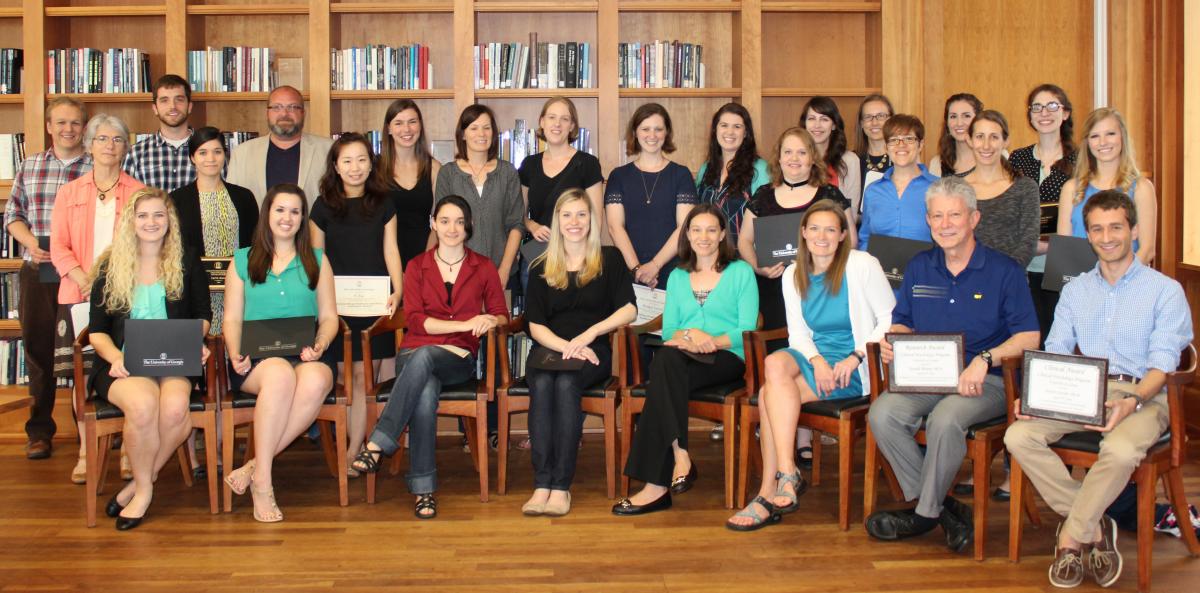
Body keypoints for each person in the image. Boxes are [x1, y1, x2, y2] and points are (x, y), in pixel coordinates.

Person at [1005, 190, 1192, 588]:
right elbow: (1056, 349)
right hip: (1082, 390)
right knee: (1018, 435)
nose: (1107, 237)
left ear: (1134, 230)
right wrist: (1037, 394)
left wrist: (1133, 400)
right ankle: (1093, 523)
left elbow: (1164, 363)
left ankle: (1072, 537)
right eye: (1097, 229)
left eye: (1116, 227)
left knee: (1120, 449)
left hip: (1145, 394)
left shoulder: (1165, 290)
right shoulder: (1075, 290)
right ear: (1087, 236)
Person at [864, 176, 1039, 553]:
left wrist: (984, 360)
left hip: (987, 381)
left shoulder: (1005, 271)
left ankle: (924, 515)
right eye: (937, 216)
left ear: (974, 219)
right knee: (882, 414)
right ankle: (942, 510)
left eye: (954, 215)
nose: (945, 224)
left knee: (946, 419)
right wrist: (895, 339)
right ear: (927, 221)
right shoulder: (919, 266)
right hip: (929, 375)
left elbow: (1029, 338)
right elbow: (903, 320)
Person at [726, 200, 894, 530]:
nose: (822, 236)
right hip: (816, 358)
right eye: (814, 228)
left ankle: (765, 494)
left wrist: (856, 356)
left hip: (854, 366)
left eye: (831, 229)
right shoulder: (793, 273)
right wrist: (816, 361)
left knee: (766, 396)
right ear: (802, 233)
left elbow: (890, 318)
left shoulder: (862, 265)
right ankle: (788, 471)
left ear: (843, 235)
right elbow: (798, 333)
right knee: (775, 363)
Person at [349, 196, 508, 519]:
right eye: (445, 221)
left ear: (468, 227)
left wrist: (490, 320)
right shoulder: (416, 266)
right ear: (433, 223)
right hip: (414, 354)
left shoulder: (484, 267)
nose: (452, 228)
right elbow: (417, 321)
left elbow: (502, 314)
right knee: (423, 384)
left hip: (459, 359)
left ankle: (379, 443)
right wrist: (466, 323)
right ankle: (423, 491)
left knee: (424, 367)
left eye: (459, 222)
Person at [613, 204, 758, 516]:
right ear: (687, 236)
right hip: (685, 358)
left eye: (710, 230)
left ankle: (658, 484)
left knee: (663, 373)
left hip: (728, 359)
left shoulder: (741, 272)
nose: (703, 236)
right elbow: (670, 330)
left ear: (722, 235)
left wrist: (710, 341)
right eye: (696, 230)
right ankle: (679, 456)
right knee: (667, 362)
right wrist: (692, 336)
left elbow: (747, 328)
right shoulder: (678, 276)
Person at [88, 188, 212, 530]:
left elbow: (203, 316)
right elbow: (96, 330)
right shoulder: (110, 266)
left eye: (159, 215)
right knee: (143, 407)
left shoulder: (187, 261)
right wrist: (114, 357)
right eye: (142, 215)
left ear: (169, 221)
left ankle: (137, 483)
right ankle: (144, 492)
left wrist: (194, 340)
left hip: (172, 358)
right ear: (131, 221)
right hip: (124, 364)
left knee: (175, 410)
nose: (151, 222)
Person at [221, 184, 339, 523]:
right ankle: (264, 485)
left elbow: (330, 317)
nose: (287, 218)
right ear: (267, 215)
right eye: (280, 210)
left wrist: (320, 344)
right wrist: (233, 352)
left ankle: (255, 467)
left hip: (307, 353)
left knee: (316, 380)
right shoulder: (242, 259)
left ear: (302, 218)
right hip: (255, 359)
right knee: (279, 374)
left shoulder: (317, 260)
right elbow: (231, 318)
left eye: (294, 211)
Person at [521, 189, 637, 517]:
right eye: (567, 215)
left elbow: (629, 309)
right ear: (557, 221)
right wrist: (567, 347)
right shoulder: (541, 265)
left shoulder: (610, 259)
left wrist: (589, 335)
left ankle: (560, 486)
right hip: (549, 350)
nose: (575, 222)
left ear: (591, 220)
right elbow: (535, 326)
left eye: (581, 214)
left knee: (565, 385)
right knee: (543, 383)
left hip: (593, 352)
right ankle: (541, 483)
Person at [50, 113, 146, 483]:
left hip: (125, 295)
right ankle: (86, 452)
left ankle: (126, 450)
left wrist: (111, 284)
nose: (109, 146)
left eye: (117, 140)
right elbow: (58, 245)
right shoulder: (69, 192)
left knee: (125, 368)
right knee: (84, 374)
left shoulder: (138, 191)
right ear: (89, 145)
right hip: (77, 293)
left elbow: (145, 244)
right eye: (102, 139)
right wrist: (86, 279)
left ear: (126, 147)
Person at [310, 133, 403, 476]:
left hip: (376, 302)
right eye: (347, 160)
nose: (355, 167)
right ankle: (345, 442)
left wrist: (398, 290)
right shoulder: (322, 206)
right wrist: (327, 301)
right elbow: (317, 259)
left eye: (362, 159)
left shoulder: (384, 202)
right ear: (335, 165)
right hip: (335, 305)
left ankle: (356, 449)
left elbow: (391, 249)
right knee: (340, 377)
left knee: (366, 377)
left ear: (371, 163)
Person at [5, 97, 92, 461]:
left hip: (81, 275)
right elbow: (13, 215)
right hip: (39, 272)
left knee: (86, 351)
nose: (68, 129)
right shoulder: (30, 165)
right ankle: (39, 432)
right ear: (48, 126)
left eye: (75, 123)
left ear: (84, 127)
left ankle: (93, 432)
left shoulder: (96, 166)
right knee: (39, 351)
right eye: (61, 123)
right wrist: (30, 244)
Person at [739, 127, 853, 332]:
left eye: (802, 152)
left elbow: (850, 240)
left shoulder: (830, 194)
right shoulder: (763, 194)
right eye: (788, 152)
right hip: (773, 289)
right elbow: (744, 240)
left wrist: (821, 268)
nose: (794, 158)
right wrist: (757, 266)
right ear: (779, 158)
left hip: (820, 287)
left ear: (812, 158)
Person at [170, 126, 259, 335]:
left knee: (237, 349)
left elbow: (255, 244)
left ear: (225, 155)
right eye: (203, 152)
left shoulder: (244, 197)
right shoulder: (177, 200)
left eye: (217, 151)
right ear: (192, 157)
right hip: (197, 293)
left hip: (238, 291)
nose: (211, 158)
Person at [605, 103, 698, 289]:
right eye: (645, 129)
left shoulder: (681, 175)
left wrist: (655, 265)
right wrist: (638, 269)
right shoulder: (618, 176)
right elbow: (615, 227)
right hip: (630, 270)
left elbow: (684, 226)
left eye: (658, 129)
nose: (652, 135)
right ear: (635, 132)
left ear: (667, 133)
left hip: (674, 269)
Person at [1010, 84, 1077, 339]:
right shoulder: (1018, 158)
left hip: (1064, 266)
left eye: (1052, 106)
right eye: (1037, 107)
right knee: (1030, 337)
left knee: (1059, 338)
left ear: (1066, 113)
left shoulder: (1080, 159)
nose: (1044, 113)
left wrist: (1051, 246)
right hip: (1025, 266)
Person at [435, 104, 524, 284]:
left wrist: (504, 270)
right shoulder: (448, 173)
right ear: (462, 134)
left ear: (493, 132)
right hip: (457, 274)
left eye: (486, 128)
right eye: (473, 128)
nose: (481, 134)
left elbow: (516, 224)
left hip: (501, 271)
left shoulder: (507, 173)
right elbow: (442, 224)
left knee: (500, 314)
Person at [1057, 108, 1157, 265]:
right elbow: (1064, 250)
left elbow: (1147, 250)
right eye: (1095, 136)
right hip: (1081, 283)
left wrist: (1116, 281)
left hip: (1126, 284)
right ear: (1087, 143)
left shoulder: (1141, 188)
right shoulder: (1071, 189)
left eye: (1110, 134)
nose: (1103, 142)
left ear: (1122, 137)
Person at [226, 85, 334, 206]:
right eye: (277, 107)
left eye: (292, 107)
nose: (284, 113)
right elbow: (231, 204)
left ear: (303, 113)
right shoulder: (242, 154)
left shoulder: (328, 150)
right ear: (267, 113)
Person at [519, 96, 604, 246]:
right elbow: (519, 215)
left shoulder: (588, 163)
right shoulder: (528, 165)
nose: (557, 124)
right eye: (551, 117)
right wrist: (533, 227)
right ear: (542, 122)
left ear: (571, 126)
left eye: (564, 119)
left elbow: (596, 220)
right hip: (538, 252)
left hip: (575, 252)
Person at [963, 110, 1040, 267]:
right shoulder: (954, 187)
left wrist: (1000, 277)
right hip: (963, 282)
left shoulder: (1025, 187)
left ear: (1006, 141)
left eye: (994, 137)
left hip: (1010, 284)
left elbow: (1028, 243)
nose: (986, 145)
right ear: (969, 140)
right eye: (979, 137)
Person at [858, 114, 938, 250]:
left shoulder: (938, 188)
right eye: (894, 140)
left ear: (921, 145)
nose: (901, 145)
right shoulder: (873, 191)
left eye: (909, 139)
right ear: (886, 147)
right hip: (878, 269)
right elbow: (865, 238)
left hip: (924, 270)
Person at [695, 102, 770, 244]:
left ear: (746, 132)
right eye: (724, 125)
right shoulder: (706, 169)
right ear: (715, 130)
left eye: (737, 127)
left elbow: (768, 219)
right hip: (709, 255)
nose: (730, 132)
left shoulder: (759, 169)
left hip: (745, 260)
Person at [379, 99, 441, 268]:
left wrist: (425, 262)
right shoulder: (374, 169)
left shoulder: (435, 169)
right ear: (388, 129)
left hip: (424, 257)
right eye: (398, 123)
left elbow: (440, 222)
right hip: (382, 257)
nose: (406, 129)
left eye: (412, 122)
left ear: (420, 126)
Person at [122, 74, 196, 192]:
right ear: (155, 108)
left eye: (179, 99)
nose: (173, 106)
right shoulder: (135, 154)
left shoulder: (208, 151)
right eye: (164, 100)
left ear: (190, 107)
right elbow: (127, 203)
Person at [799, 96, 862, 215]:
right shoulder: (796, 159)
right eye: (811, 118)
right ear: (805, 125)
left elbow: (851, 212)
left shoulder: (850, 160)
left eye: (824, 119)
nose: (817, 125)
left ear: (833, 125)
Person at [928, 93, 983, 177]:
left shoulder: (997, 156)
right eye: (953, 116)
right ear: (947, 123)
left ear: (978, 120)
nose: (959, 123)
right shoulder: (937, 164)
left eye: (966, 116)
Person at [855, 94, 895, 200]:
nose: (874, 122)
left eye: (881, 116)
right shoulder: (852, 160)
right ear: (861, 123)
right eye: (868, 117)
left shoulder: (901, 159)